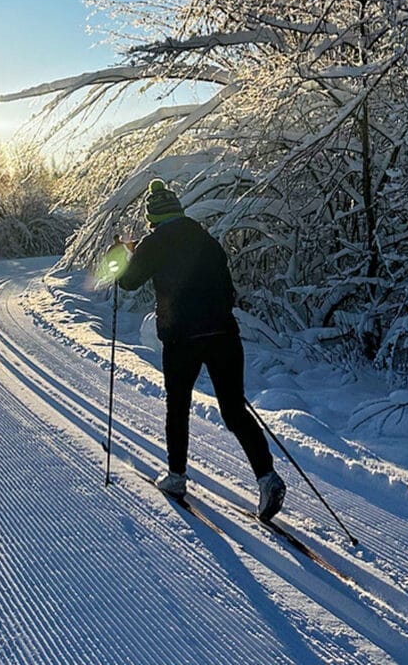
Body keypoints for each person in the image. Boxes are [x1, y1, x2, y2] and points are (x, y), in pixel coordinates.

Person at [114, 178, 286, 520]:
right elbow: (226, 288)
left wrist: (122, 255)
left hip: (181, 339)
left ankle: (176, 477)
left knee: (178, 406)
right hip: (223, 333)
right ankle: (267, 477)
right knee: (234, 409)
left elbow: (128, 282)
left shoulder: (154, 242)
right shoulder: (204, 238)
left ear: (153, 218)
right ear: (179, 210)